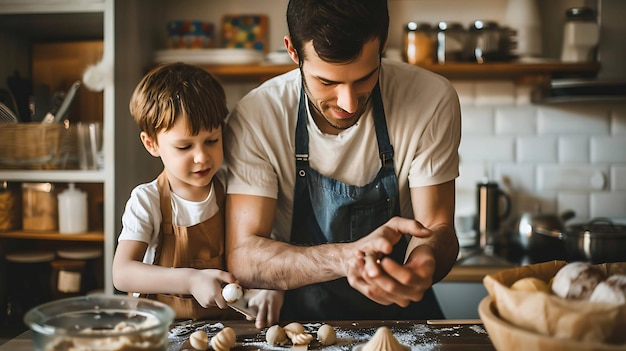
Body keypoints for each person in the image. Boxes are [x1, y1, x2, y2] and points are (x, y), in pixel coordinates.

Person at [224, 0, 461, 325]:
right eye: (328, 83)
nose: (348, 103)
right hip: (299, 327)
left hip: (406, 322)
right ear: (293, 51)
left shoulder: (430, 99)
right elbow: (244, 256)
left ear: (382, 43)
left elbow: (437, 227)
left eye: (366, 77)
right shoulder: (258, 116)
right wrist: (345, 258)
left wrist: (424, 263)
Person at [112, 62, 274, 322]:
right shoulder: (147, 200)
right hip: (160, 329)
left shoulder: (233, 189)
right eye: (184, 146)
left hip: (222, 328)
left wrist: (267, 289)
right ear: (151, 143)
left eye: (211, 141)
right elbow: (122, 273)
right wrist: (190, 280)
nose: (201, 157)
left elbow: (256, 247)